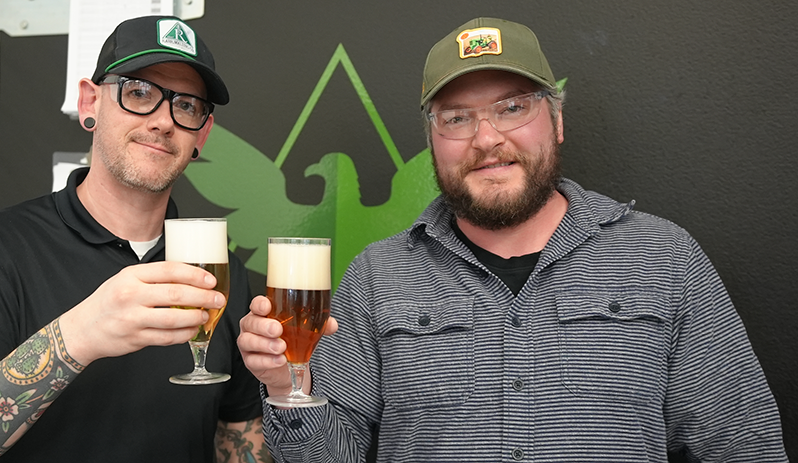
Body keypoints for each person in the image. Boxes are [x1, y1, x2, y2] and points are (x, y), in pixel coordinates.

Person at [237, 17, 788, 462]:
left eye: (512, 107)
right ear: (433, 142)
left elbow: (743, 443)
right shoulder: (378, 276)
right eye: (456, 118)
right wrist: (289, 388)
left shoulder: (663, 257)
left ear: (557, 120)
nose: (486, 138)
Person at [0, 16, 267, 463]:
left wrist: (286, 391)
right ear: (90, 103)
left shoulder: (222, 276)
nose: (163, 121)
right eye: (139, 93)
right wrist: (77, 336)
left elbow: (238, 438)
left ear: (201, 135)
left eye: (186, 106)